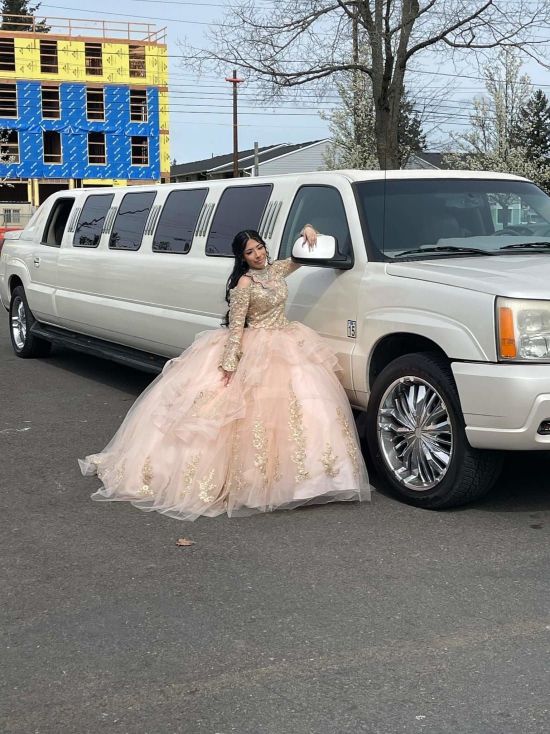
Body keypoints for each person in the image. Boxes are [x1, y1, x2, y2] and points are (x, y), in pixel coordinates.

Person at [79, 227, 370, 520]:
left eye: (259, 248)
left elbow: (300, 258)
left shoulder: (276, 270)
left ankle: (315, 480)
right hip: (254, 345)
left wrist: (308, 231)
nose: (257, 255)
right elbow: (236, 326)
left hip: (286, 340)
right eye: (249, 252)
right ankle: (260, 484)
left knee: (305, 407)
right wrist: (230, 364)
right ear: (241, 258)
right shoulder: (244, 284)